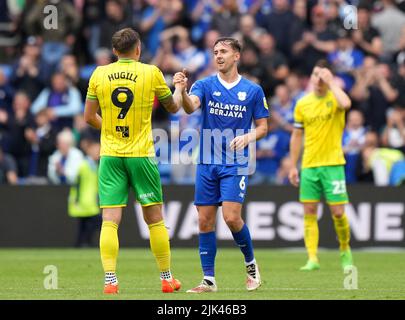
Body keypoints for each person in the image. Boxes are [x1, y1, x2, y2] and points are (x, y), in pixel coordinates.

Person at [84, 28, 182, 294]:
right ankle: (166, 278)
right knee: (155, 219)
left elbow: (88, 117)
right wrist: (180, 89)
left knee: (110, 220)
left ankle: (110, 281)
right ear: (138, 49)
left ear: (115, 51)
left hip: (111, 156)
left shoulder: (99, 74)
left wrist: (109, 129)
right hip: (141, 155)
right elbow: (173, 107)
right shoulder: (151, 72)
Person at [173, 37, 269, 293]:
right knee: (205, 221)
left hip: (235, 163)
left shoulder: (252, 90)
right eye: (215, 52)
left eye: (224, 51)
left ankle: (251, 264)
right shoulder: (204, 84)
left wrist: (248, 137)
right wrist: (182, 90)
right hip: (206, 162)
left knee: (231, 217)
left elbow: (263, 127)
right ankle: (209, 280)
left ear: (236, 55)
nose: (218, 55)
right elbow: (191, 108)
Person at [288, 60, 353, 272]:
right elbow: (297, 136)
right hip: (309, 165)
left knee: (337, 212)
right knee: (309, 210)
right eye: (316, 75)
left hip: (333, 164)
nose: (319, 79)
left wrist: (332, 83)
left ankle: (344, 249)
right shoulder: (302, 103)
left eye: (323, 75)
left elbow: (347, 104)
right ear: (311, 78)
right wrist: (292, 165)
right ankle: (312, 258)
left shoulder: (335, 99)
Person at [68, 139, 101, 248]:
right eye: (96, 150)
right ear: (89, 151)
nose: (98, 153)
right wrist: (76, 199)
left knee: (84, 226)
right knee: (94, 223)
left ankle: (82, 244)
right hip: (83, 201)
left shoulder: (95, 165)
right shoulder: (83, 165)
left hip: (90, 201)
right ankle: (84, 243)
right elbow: (75, 182)